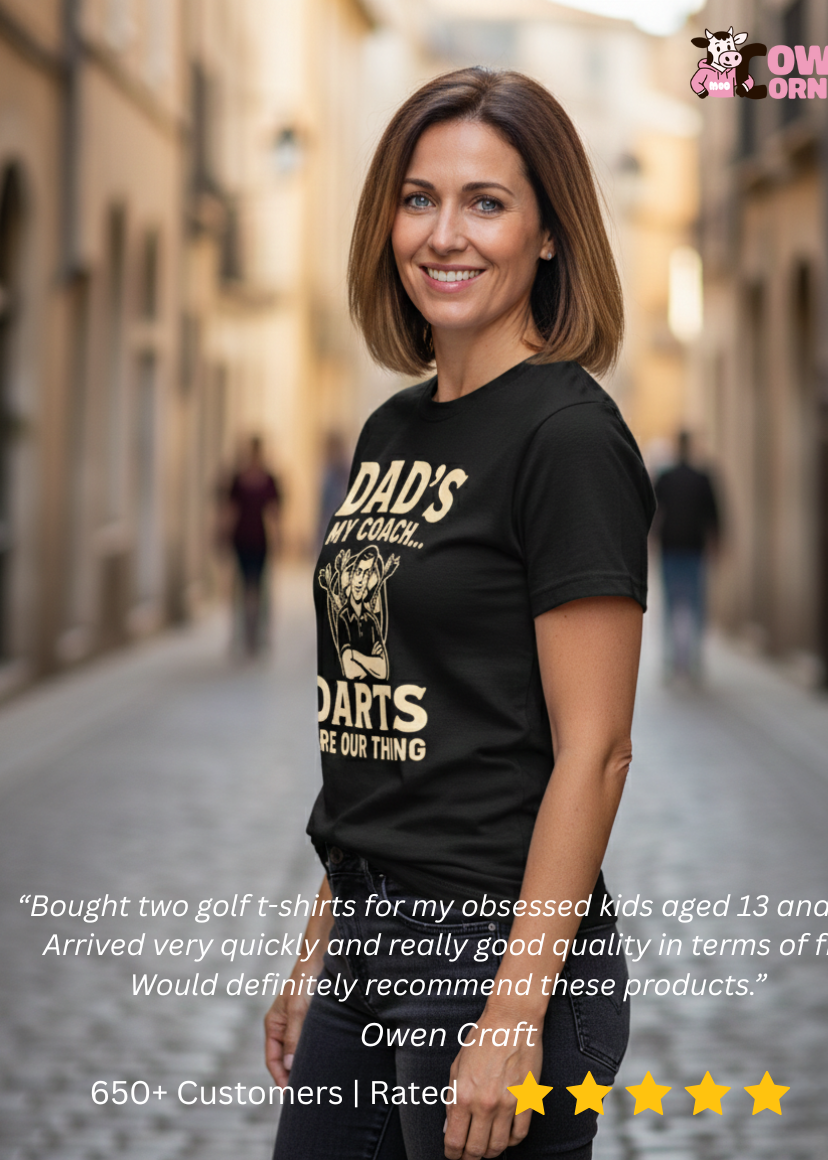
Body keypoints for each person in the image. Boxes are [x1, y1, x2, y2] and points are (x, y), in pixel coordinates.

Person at [264, 67, 655, 1160]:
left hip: (489, 949)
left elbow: (598, 749)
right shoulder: (389, 430)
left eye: (485, 201)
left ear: (545, 234)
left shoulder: (567, 438)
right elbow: (383, 726)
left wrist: (515, 1011)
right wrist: (318, 951)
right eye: (417, 196)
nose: (445, 233)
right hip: (368, 934)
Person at [653, 430, 721, 683]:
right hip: (693, 548)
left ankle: (673, 661)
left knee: (672, 606)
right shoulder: (701, 478)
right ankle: (692, 661)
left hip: (671, 547)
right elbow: (714, 516)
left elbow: (652, 511)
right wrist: (716, 547)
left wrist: (650, 541)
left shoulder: (666, 477)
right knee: (695, 606)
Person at [227, 435, 281, 655]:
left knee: (260, 588)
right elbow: (229, 510)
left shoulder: (269, 480)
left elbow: (275, 512)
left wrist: (278, 538)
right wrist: (222, 533)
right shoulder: (238, 479)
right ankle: (240, 634)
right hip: (241, 539)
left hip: (260, 540)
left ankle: (260, 635)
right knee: (241, 587)